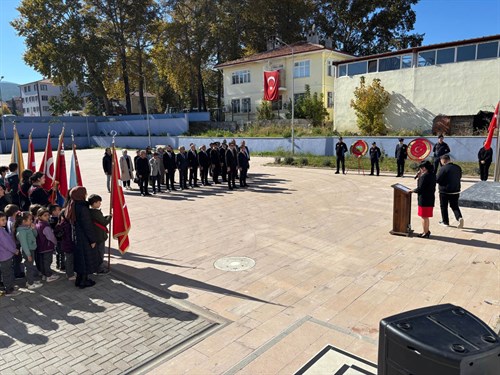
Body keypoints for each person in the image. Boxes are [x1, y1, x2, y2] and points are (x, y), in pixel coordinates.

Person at [66, 186, 99, 288]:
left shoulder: (72, 204)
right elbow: (87, 225)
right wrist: (92, 239)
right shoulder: (82, 207)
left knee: (80, 259)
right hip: (83, 237)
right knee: (85, 259)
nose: (86, 195)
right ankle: (83, 281)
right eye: (85, 193)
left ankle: (79, 279)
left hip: (76, 236)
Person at [15, 211, 42, 290]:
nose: (32, 221)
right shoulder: (21, 232)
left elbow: (35, 235)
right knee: (29, 267)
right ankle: (30, 283)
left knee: (30, 266)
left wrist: (33, 229)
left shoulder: (27, 228)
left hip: (31, 249)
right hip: (28, 251)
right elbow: (24, 245)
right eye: (30, 219)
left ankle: (30, 281)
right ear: (24, 221)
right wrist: (28, 254)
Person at [436, 155, 464, 228]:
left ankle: (445, 221)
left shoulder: (443, 168)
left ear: (443, 161)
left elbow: (438, 179)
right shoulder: (458, 167)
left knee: (444, 206)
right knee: (454, 206)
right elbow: (459, 177)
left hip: (445, 191)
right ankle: (459, 217)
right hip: (456, 190)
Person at [88, 194, 111, 274]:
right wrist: (110, 217)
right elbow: (104, 222)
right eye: (99, 202)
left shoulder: (89, 211)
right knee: (100, 253)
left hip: (93, 235)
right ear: (94, 203)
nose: (100, 204)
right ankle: (100, 269)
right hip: (99, 236)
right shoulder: (96, 212)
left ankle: (94, 267)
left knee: (95, 253)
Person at [0, 212, 22, 296]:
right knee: (7, 273)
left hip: (6, 255)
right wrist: (14, 250)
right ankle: (9, 290)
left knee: (8, 271)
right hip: (4, 256)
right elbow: (6, 244)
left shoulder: (1, 229)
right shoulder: (0, 232)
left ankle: (9, 286)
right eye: (2, 220)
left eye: (5, 219)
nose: (5, 221)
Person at [35, 207, 60, 282]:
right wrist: (55, 242)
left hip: (40, 246)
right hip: (47, 246)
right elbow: (50, 237)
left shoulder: (37, 224)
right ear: (40, 216)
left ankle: (44, 275)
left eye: (48, 215)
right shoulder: (45, 225)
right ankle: (48, 275)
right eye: (45, 215)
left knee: (43, 262)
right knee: (47, 261)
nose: (47, 217)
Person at [412, 161, 436, 238]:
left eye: (421, 168)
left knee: (424, 217)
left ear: (424, 168)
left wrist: (412, 190)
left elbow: (420, 188)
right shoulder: (432, 174)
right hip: (430, 198)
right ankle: (426, 231)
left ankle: (425, 233)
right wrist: (420, 177)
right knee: (426, 217)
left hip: (424, 199)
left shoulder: (424, 176)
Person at [54, 208, 75, 280]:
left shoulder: (61, 223)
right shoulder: (66, 224)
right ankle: (70, 274)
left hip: (65, 244)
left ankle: (69, 273)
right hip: (68, 245)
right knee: (69, 260)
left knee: (68, 259)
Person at [5, 204, 24, 279]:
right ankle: (17, 273)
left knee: (17, 258)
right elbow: (15, 232)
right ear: (14, 213)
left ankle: (18, 271)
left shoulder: (9, 219)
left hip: (13, 242)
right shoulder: (13, 222)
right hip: (15, 243)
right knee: (17, 259)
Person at [48, 204, 64, 271]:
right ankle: (62, 265)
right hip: (59, 238)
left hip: (55, 239)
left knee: (58, 252)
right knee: (61, 253)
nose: (60, 211)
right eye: (58, 210)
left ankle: (58, 265)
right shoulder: (56, 219)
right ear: (53, 212)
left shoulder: (50, 219)